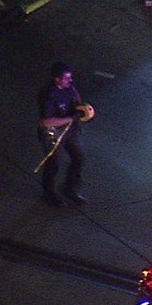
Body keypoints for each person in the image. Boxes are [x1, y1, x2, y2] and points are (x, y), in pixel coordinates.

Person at [37, 63, 92, 207]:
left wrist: (83, 109)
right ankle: (49, 193)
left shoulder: (70, 88)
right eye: (67, 78)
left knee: (78, 158)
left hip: (69, 130)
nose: (70, 81)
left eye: (70, 78)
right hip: (53, 133)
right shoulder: (48, 94)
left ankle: (70, 189)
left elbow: (77, 100)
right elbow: (46, 121)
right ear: (57, 80)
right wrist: (72, 118)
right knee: (53, 163)